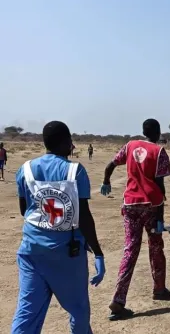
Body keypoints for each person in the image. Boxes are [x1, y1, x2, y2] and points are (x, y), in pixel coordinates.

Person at [11, 121, 105, 333]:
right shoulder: (75, 171)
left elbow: (23, 209)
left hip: (31, 250)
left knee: (27, 313)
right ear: (65, 142)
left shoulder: (25, 169)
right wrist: (98, 253)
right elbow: (84, 217)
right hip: (66, 254)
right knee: (78, 310)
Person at [100, 119, 170, 320]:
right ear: (158, 133)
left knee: (130, 249)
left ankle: (118, 299)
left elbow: (110, 164)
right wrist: (160, 215)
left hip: (130, 204)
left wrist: (106, 181)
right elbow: (159, 184)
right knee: (156, 246)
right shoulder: (159, 152)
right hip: (151, 206)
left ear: (143, 131)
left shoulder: (130, 145)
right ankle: (159, 288)